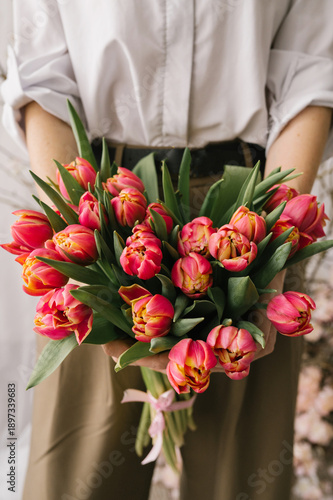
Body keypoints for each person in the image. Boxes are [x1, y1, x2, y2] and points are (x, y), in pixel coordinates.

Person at [2, 1, 333, 499]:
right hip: (100, 203)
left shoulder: (258, 231)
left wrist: (272, 246)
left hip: (248, 207)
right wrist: (79, 244)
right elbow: (39, 77)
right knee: (76, 477)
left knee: (242, 477)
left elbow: (313, 73)